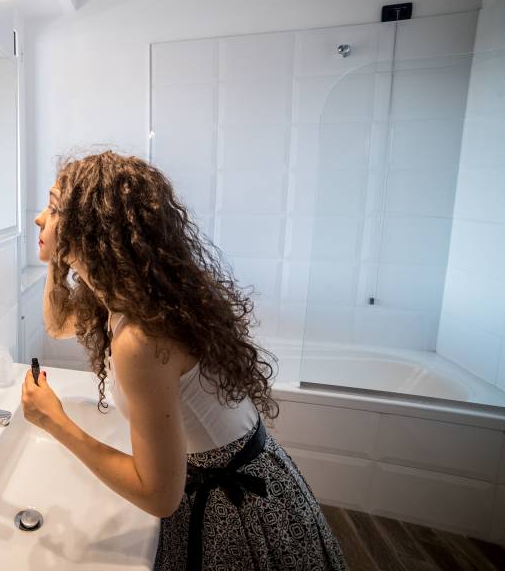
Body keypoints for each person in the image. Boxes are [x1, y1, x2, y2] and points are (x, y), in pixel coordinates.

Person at [22, 151, 346, 570]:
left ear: (91, 229)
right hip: (246, 480)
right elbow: (58, 322)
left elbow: (159, 495)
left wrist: (55, 422)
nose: (38, 219)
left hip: (236, 508)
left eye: (53, 207)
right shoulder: (132, 295)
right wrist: (59, 257)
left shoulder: (140, 337)